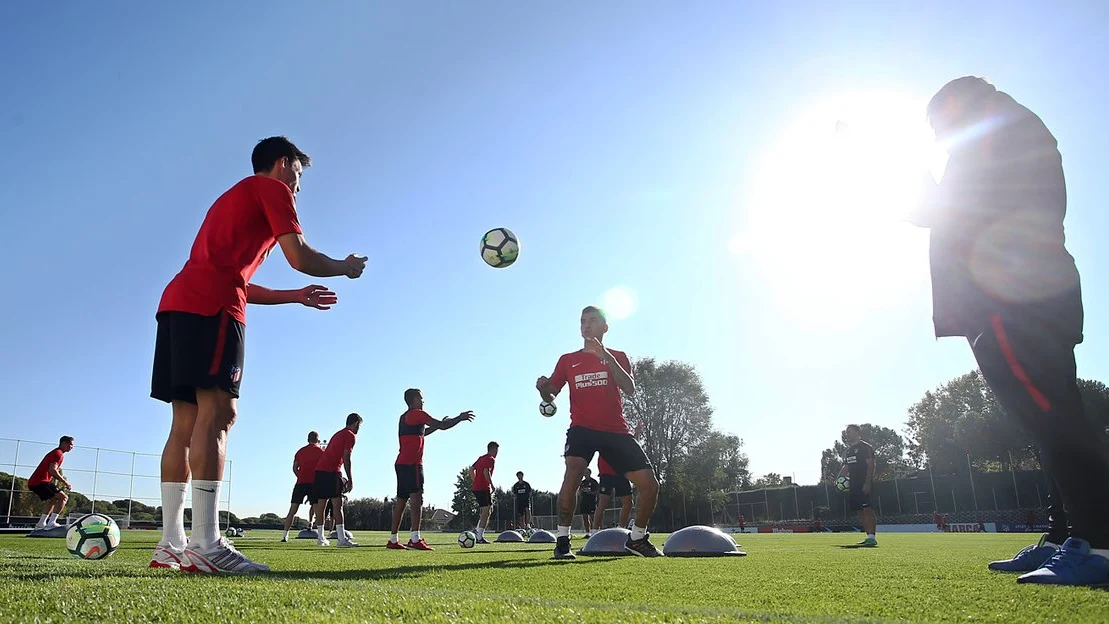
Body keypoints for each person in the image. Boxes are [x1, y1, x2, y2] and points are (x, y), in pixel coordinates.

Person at [913, 76, 1109, 586]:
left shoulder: (995, 134)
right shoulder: (1008, 130)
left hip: (1012, 299)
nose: (938, 139)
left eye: (937, 126)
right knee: (1049, 423)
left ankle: (1100, 543)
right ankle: (1067, 537)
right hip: (1026, 296)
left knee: (1056, 423)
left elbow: (948, 212)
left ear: (958, 108)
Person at [149, 136, 366, 573]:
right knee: (220, 413)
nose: (298, 187)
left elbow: (241, 281)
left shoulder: (235, 198)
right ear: (283, 164)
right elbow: (299, 256)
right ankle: (206, 544)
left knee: (184, 424)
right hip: (212, 306)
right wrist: (343, 266)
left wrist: (295, 297)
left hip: (178, 302)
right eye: (299, 175)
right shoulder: (272, 189)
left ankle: (171, 545)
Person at [536, 305, 662, 558]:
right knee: (572, 474)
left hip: (615, 431)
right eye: (582, 320)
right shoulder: (568, 360)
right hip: (581, 429)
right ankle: (562, 540)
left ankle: (637, 539)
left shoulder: (617, 355)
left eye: (592, 320)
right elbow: (551, 395)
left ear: (604, 327)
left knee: (650, 485)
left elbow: (629, 388)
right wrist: (542, 390)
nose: (586, 325)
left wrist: (605, 356)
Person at [389, 388, 474, 550]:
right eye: (421, 398)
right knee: (417, 499)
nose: (423, 401)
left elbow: (423, 432)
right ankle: (415, 539)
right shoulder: (418, 414)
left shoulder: (404, 417)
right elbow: (442, 425)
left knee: (401, 501)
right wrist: (459, 418)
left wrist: (437, 426)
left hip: (401, 463)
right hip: (412, 464)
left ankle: (393, 540)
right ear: (413, 400)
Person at [311, 413, 362, 548]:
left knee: (321, 505)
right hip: (332, 471)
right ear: (356, 423)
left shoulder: (338, 434)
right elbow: (346, 457)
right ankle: (341, 539)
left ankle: (321, 538)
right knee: (337, 505)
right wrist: (350, 478)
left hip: (320, 471)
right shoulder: (350, 435)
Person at [281, 431, 324, 542]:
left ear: (307, 439)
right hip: (314, 483)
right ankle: (320, 536)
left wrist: (300, 476)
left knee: (292, 510)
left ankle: (285, 535)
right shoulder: (321, 451)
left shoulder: (300, 451)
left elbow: (295, 468)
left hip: (300, 483)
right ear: (317, 440)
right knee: (317, 509)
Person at [838, 425, 876, 547]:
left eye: (850, 432)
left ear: (857, 432)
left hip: (863, 482)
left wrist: (867, 482)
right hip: (853, 485)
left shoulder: (866, 447)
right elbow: (846, 467)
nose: (847, 434)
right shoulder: (849, 451)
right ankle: (868, 536)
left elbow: (871, 465)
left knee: (867, 509)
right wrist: (839, 479)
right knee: (860, 511)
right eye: (846, 432)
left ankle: (872, 537)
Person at [28, 436, 74, 530]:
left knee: (54, 498)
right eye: (71, 444)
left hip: (34, 482)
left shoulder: (56, 452)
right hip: (40, 482)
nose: (72, 447)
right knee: (64, 497)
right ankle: (51, 523)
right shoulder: (58, 454)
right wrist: (65, 482)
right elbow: (52, 470)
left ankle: (41, 523)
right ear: (64, 443)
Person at [594, 456, 634, 531]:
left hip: (621, 472)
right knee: (603, 502)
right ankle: (594, 530)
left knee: (628, 502)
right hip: (606, 472)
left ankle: (621, 528)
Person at [470, 442, 498, 544]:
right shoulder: (490, 459)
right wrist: (492, 484)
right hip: (483, 487)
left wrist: (475, 481)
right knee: (487, 510)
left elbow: (471, 469)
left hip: (476, 487)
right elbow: (486, 472)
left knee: (486, 510)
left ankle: (477, 530)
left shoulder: (481, 458)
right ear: (494, 449)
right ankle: (479, 536)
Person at [578, 468, 599, 536]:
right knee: (585, 518)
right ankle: (587, 533)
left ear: (590, 473)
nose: (585, 474)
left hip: (591, 502)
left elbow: (597, 492)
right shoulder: (582, 482)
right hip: (584, 502)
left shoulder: (594, 482)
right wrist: (581, 491)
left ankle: (596, 531)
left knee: (593, 517)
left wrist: (590, 492)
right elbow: (579, 492)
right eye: (584, 473)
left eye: (586, 473)